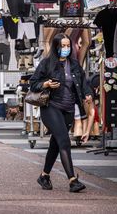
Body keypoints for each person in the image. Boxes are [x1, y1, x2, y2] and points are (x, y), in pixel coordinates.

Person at [30, 33, 92, 193]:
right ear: (56, 47)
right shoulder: (47, 63)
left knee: (55, 144)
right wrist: (46, 83)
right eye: (62, 46)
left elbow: (83, 82)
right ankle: (72, 180)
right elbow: (33, 84)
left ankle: (44, 175)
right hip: (51, 107)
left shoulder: (74, 64)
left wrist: (87, 93)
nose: (65, 49)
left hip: (69, 108)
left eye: (67, 46)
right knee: (64, 140)